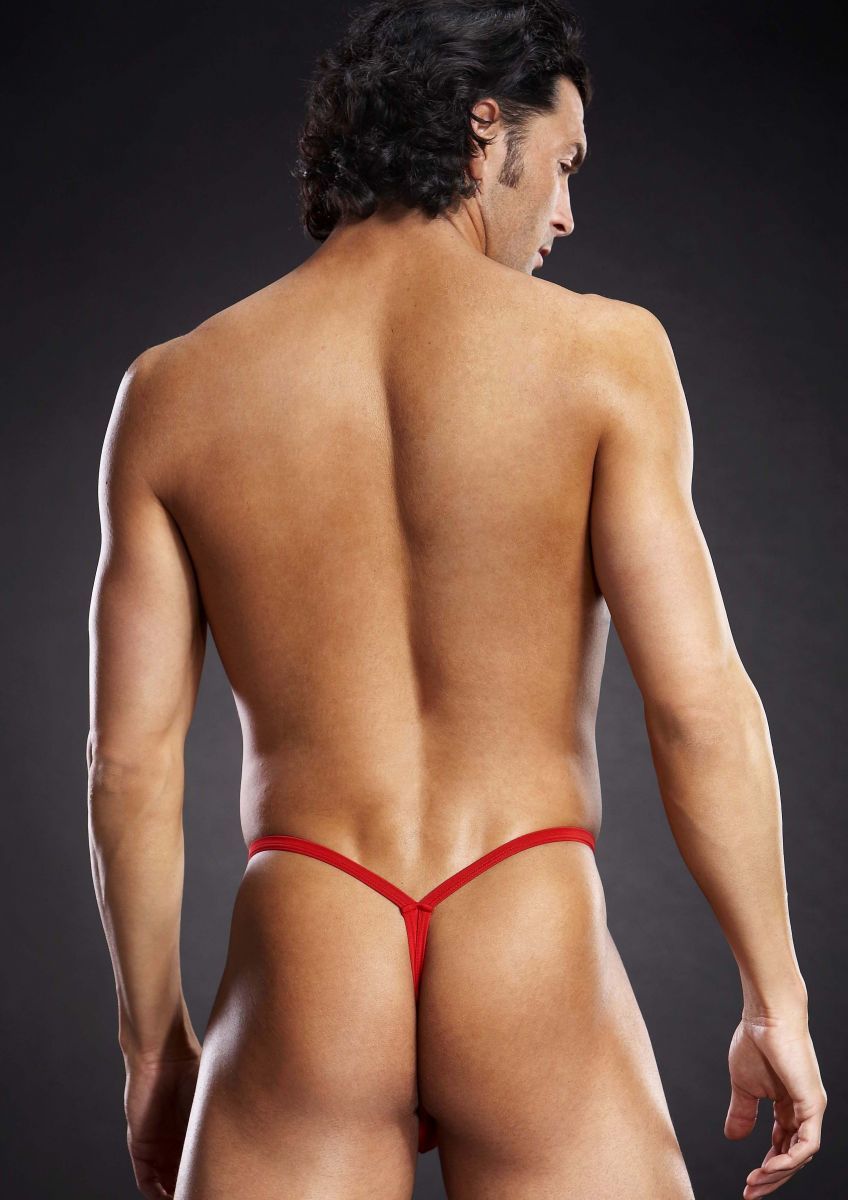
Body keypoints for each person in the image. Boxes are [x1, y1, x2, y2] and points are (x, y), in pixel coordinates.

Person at [86, 1, 826, 1197]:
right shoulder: (605, 356)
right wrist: (772, 997)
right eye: (564, 162)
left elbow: (127, 766)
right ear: (485, 132)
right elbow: (697, 708)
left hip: (309, 931)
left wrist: (152, 1047)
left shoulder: (172, 391)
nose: (566, 212)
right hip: (521, 909)